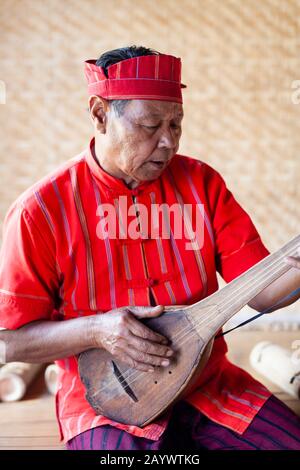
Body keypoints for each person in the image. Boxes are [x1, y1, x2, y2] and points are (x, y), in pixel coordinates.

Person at [0, 46, 299, 451]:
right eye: (150, 125)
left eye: (176, 125)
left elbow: (262, 291)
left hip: (210, 388)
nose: (167, 142)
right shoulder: (41, 211)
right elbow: (9, 341)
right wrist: (97, 330)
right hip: (105, 402)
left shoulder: (202, 185)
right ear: (100, 114)